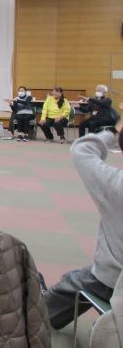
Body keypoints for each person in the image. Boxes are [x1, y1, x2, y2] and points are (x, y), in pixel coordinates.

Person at [43, 107, 123, 329]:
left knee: (70, 285)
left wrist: (113, 130)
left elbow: (82, 149)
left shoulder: (115, 184)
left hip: (112, 278)